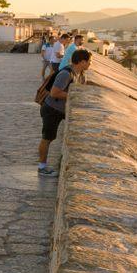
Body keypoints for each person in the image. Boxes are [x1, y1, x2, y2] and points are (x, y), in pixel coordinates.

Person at [37, 48, 91, 177]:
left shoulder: (79, 73)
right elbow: (55, 92)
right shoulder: (66, 74)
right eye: (88, 61)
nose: (90, 64)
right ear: (82, 62)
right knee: (47, 138)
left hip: (61, 110)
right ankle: (42, 167)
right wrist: (73, 95)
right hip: (51, 109)